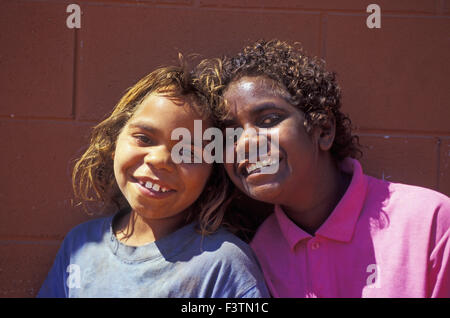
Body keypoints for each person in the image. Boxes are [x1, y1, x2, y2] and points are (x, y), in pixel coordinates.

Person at [193, 39, 450, 297]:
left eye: (269, 119)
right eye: (230, 134)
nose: (246, 142)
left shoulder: (429, 221)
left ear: (322, 129)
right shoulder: (258, 256)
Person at [37, 64, 269, 298]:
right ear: (115, 139)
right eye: (144, 138)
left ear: (213, 175)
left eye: (188, 153)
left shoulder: (224, 266)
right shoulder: (80, 246)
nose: (160, 160)